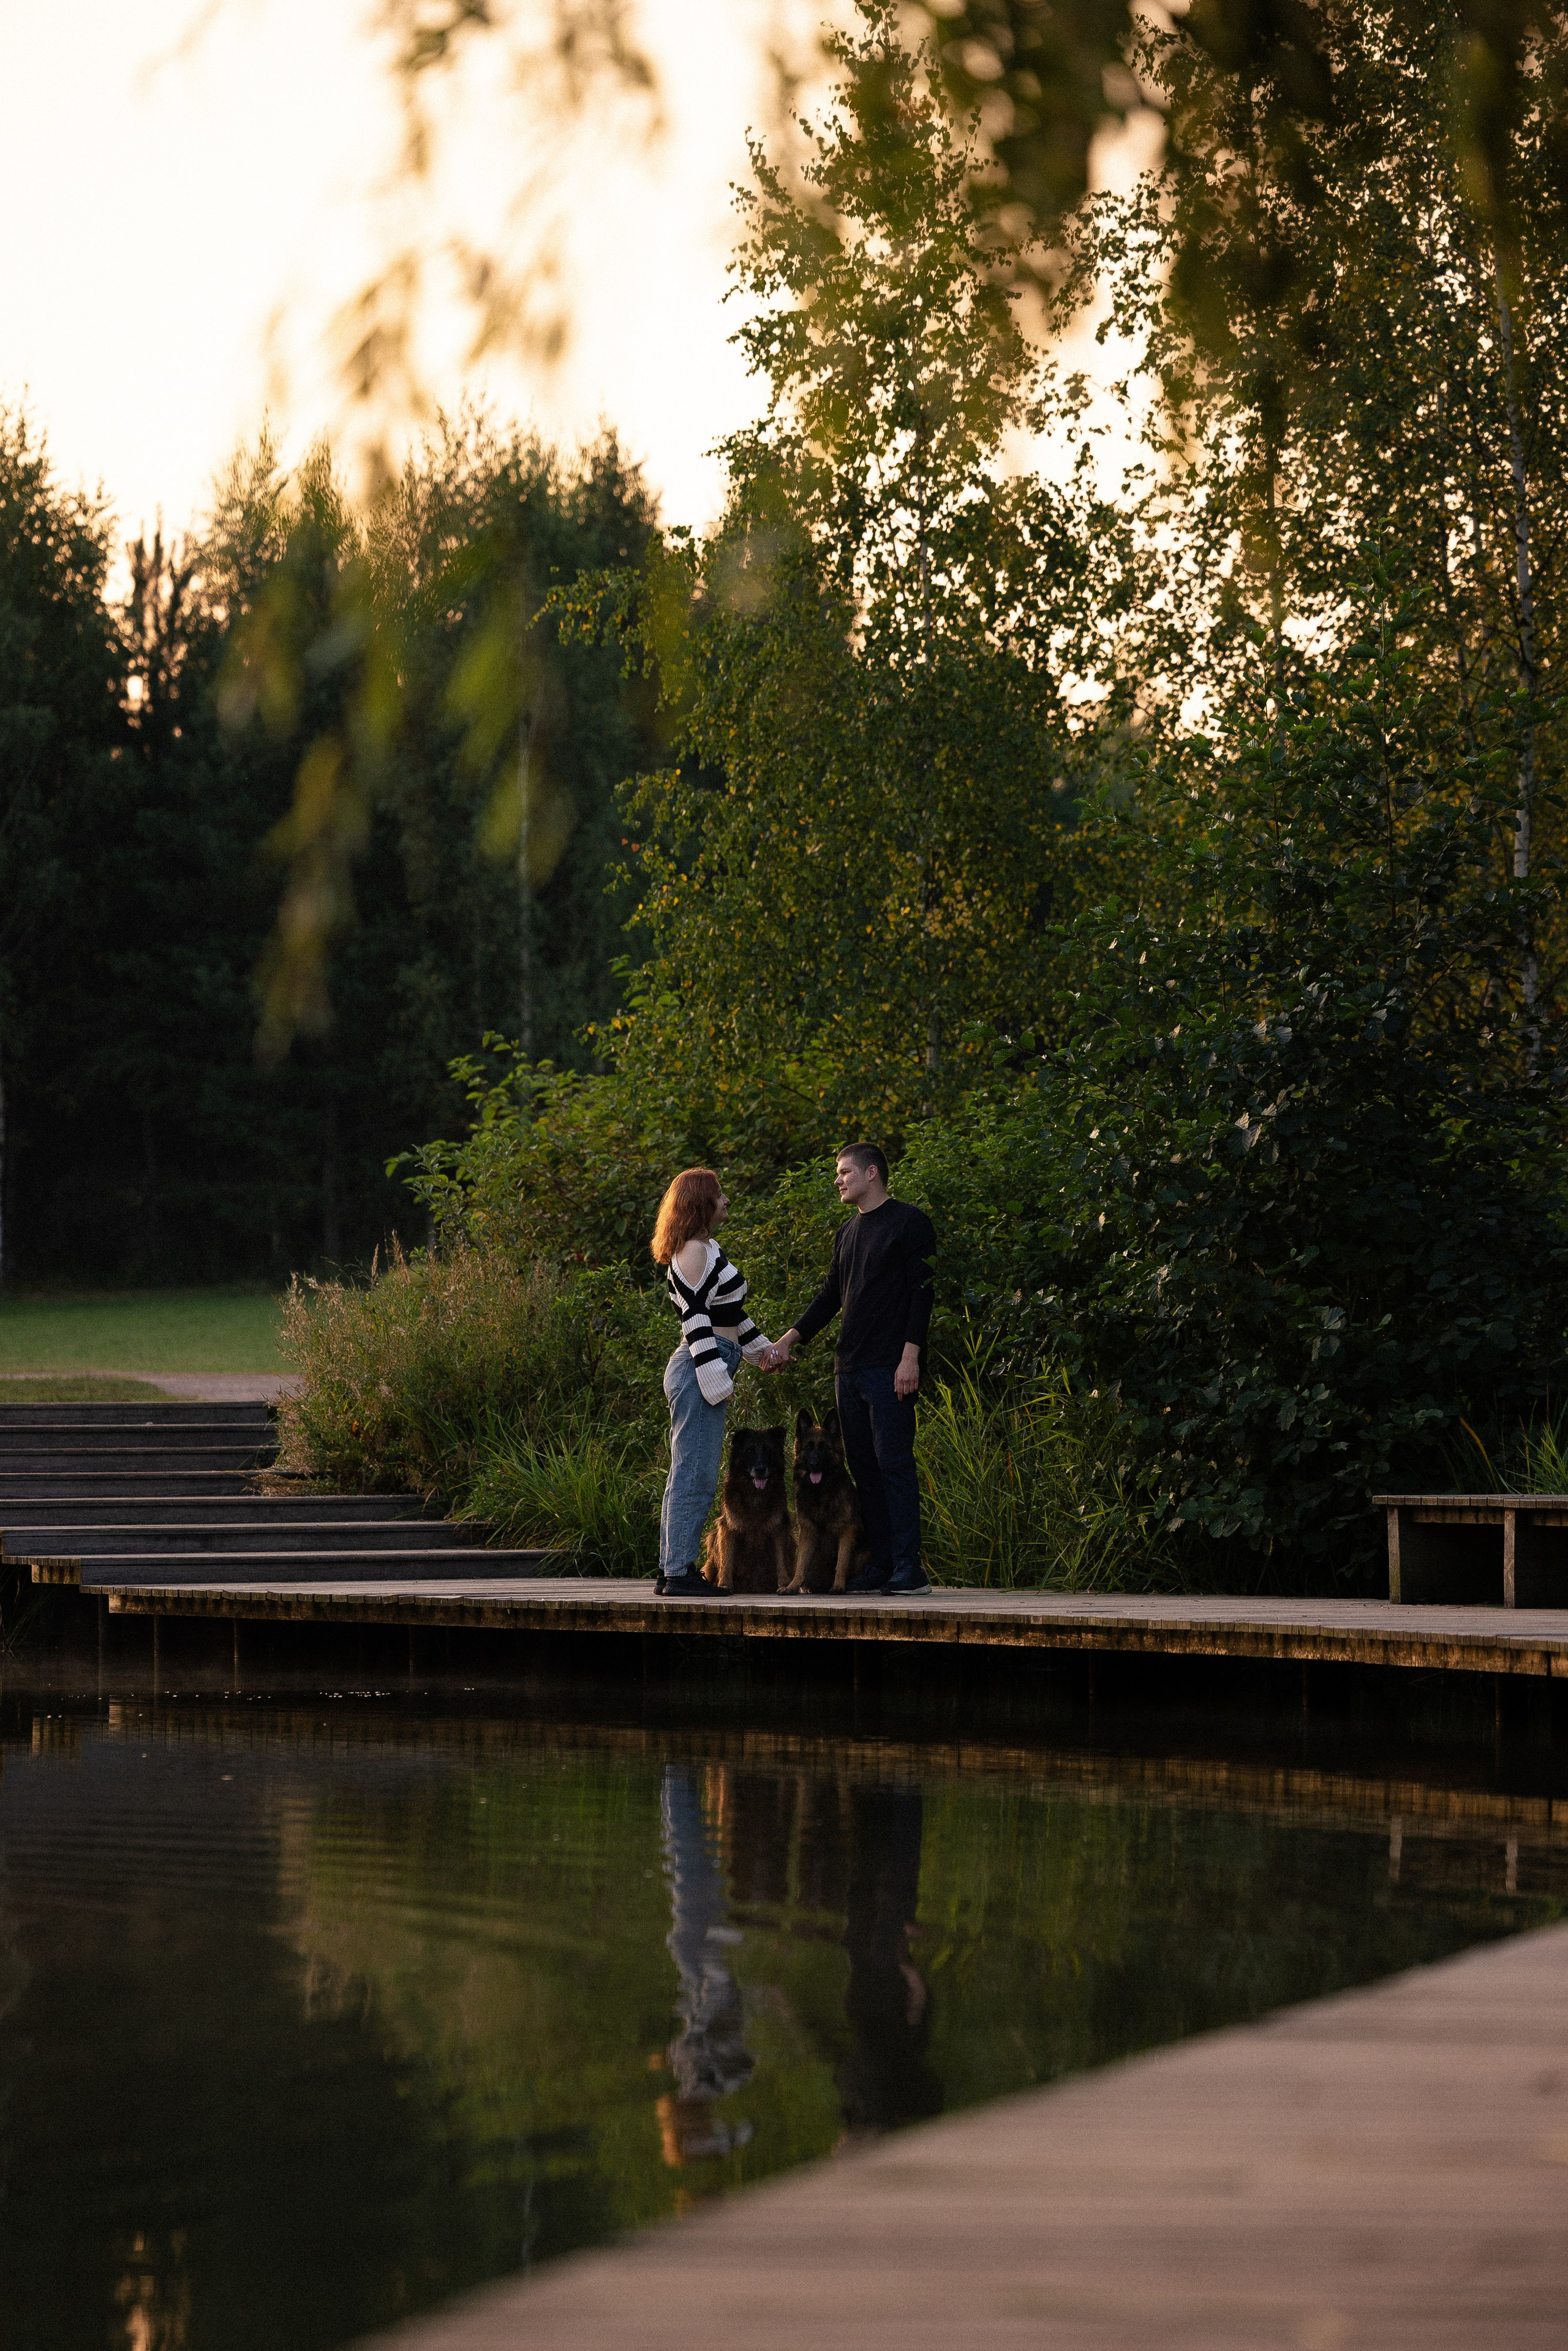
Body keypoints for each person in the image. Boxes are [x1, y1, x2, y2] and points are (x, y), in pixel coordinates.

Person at [765, 1144, 935, 1597]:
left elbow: (922, 1294)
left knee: (894, 1463)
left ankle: (909, 1569)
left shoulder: (909, 1223)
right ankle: (881, 1563)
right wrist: (787, 1340)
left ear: (872, 1173)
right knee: (863, 1468)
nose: (837, 1180)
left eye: (844, 1172)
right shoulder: (846, 1233)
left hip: (891, 1366)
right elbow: (830, 1298)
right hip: (850, 1368)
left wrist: (910, 1357)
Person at [651, 1166, 774, 1599]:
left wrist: (764, 1351)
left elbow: (731, 1315)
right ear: (701, 1203)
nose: (726, 1201)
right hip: (700, 1364)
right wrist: (714, 1377)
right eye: (719, 1195)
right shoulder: (692, 1253)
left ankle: (673, 1569)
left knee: (692, 1470)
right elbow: (696, 1318)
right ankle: (679, 1572)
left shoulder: (707, 1249)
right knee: (695, 1474)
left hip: (711, 1360)